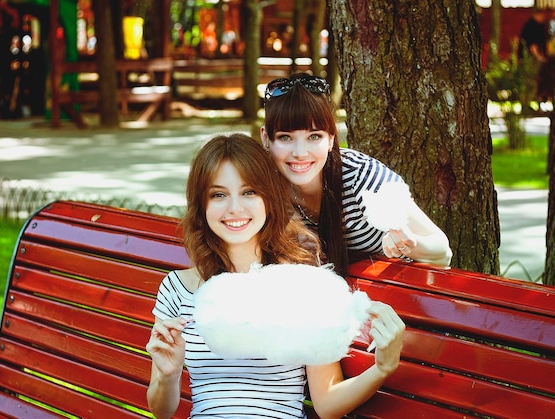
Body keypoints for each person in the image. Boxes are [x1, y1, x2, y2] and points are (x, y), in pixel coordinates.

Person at [146, 133, 405, 419]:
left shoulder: (302, 285)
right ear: (202, 205)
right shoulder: (178, 288)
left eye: (249, 192)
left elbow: (327, 402)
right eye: (218, 195)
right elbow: (161, 410)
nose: (235, 208)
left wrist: (383, 367)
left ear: (268, 198)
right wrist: (168, 375)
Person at [260, 74, 453, 275]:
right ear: (266, 138)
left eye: (314, 136)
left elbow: (442, 252)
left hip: (401, 290)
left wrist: (408, 245)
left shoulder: (362, 177)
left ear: (331, 139)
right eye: (285, 138)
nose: (300, 153)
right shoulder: (263, 188)